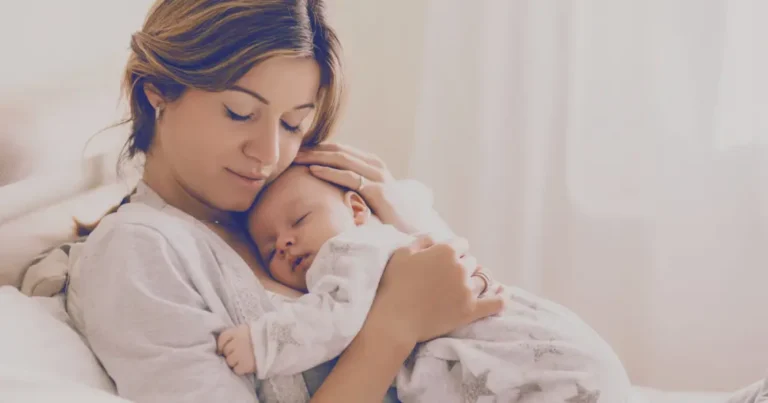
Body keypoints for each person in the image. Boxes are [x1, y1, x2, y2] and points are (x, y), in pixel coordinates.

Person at [64, 1, 504, 402]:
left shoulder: (308, 204)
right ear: (156, 89)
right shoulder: (138, 250)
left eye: (294, 124)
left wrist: (405, 220)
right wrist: (395, 324)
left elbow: (479, 319)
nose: (269, 155)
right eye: (239, 113)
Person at [216, 165, 632, 402]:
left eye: (300, 220)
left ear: (358, 209)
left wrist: (262, 342)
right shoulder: (393, 241)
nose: (284, 242)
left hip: (535, 361)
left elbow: (329, 321)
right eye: (269, 248)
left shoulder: (350, 250)